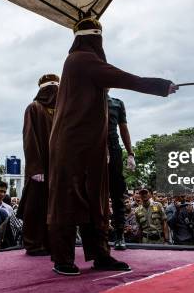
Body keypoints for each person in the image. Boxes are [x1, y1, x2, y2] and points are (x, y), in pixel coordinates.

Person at [47, 16, 177, 276]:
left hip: (91, 146)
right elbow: (122, 77)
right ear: (93, 39)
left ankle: (101, 254)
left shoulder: (81, 63)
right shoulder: (81, 60)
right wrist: (161, 86)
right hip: (71, 144)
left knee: (96, 200)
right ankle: (63, 258)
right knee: (68, 199)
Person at [18, 74, 59, 256]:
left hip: (58, 169)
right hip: (40, 168)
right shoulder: (34, 108)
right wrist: (35, 168)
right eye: (50, 87)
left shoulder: (62, 111)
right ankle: (33, 244)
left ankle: (52, 243)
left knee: (55, 208)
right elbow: (29, 138)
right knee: (36, 206)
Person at [106, 95, 136, 250]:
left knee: (117, 194)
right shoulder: (86, 99)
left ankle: (119, 234)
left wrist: (130, 153)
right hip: (93, 149)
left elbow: (123, 127)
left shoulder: (117, 103)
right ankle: (99, 235)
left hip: (114, 148)